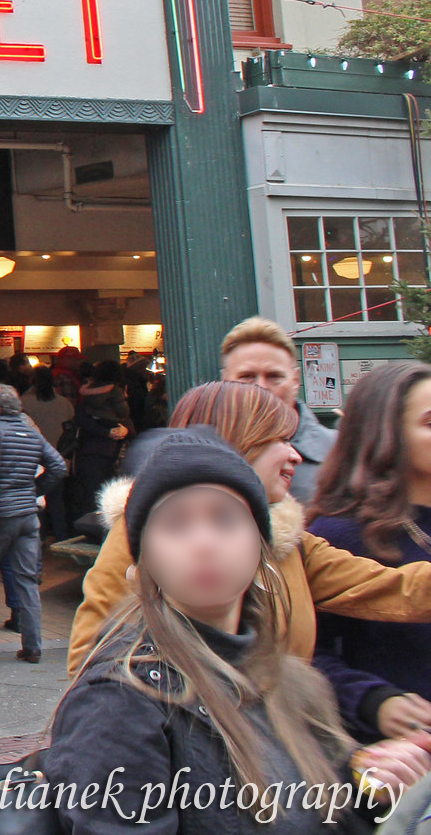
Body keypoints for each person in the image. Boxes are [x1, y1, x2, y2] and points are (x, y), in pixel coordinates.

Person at [44, 432, 431, 833]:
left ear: (261, 549)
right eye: (175, 525)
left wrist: (371, 790)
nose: (204, 543)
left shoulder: (292, 682)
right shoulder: (121, 698)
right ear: (142, 564)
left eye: (226, 519)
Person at [68, 380, 431, 676]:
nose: (296, 456)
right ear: (237, 440)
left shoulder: (290, 540)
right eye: (281, 440)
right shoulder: (143, 534)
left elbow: (397, 590)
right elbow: (90, 659)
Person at [309, 360, 431, 742]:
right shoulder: (338, 535)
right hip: (397, 767)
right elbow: (304, 653)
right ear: (387, 434)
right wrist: (373, 701)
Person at [0, 385, 65, 662]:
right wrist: (32, 491)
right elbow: (57, 466)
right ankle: (32, 646)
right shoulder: (32, 433)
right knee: (27, 580)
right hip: (27, 516)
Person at [222, 315, 335, 504]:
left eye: (274, 376)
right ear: (225, 381)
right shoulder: (204, 454)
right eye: (247, 376)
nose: (261, 387)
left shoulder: (339, 452)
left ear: (295, 381)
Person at [71, 361, 133, 526]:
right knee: (113, 496)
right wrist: (124, 430)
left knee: (90, 496)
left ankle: (89, 530)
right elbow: (126, 417)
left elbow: (80, 420)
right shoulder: (117, 394)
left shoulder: (86, 395)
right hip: (114, 452)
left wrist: (103, 432)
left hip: (90, 452)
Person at [23, 366, 77, 542]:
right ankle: (62, 536)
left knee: (36, 499)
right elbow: (71, 428)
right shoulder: (63, 403)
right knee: (57, 501)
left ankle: (39, 538)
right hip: (58, 455)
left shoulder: (25, 402)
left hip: (33, 459)